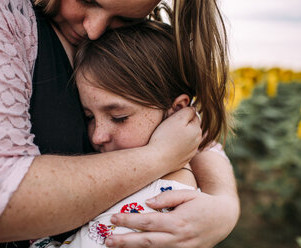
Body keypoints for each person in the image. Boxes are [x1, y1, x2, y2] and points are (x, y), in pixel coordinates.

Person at [0, 1, 239, 248]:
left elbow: (191, 131)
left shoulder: (124, 44)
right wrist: (158, 157)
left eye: (125, 19)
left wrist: (224, 205)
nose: (94, 30)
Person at [29, 20, 230, 248]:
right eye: (89, 117)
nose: (98, 136)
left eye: (119, 117)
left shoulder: (154, 206)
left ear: (177, 110)